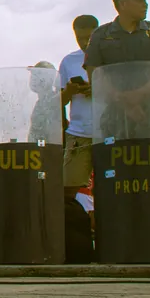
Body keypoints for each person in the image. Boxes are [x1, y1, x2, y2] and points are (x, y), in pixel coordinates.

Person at [59, 15, 99, 201]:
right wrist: (69, 90)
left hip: (108, 131)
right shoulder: (69, 61)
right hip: (79, 133)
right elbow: (59, 102)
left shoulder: (109, 57)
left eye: (89, 38)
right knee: (67, 190)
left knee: (111, 186)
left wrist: (98, 89)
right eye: (79, 38)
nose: (84, 43)